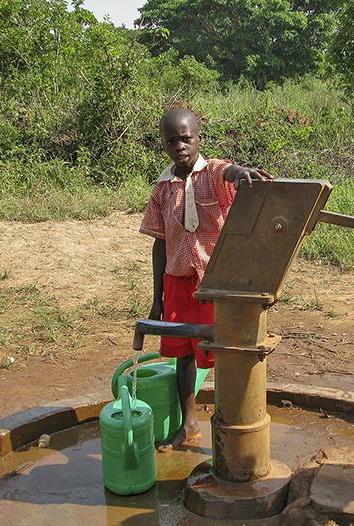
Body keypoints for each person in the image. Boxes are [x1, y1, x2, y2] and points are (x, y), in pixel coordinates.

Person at [140, 107, 272, 452]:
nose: (180, 146)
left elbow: (229, 171)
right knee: (182, 354)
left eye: (186, 138)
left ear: (198, 138)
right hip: (178, 282)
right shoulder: (162, 189)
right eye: (172, 141)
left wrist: (242, 172)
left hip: (216, 282)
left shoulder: (212, 173)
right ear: (164, 146)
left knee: (225, 350)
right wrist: (158, 299)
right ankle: (189, 424)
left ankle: (232, 422)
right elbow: (160, 243)